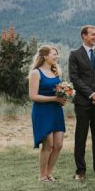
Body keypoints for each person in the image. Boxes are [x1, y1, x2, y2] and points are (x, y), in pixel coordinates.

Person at [69, 25, 95, 180]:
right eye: (93, 34)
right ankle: (80, 171)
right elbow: (75, 78)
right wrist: (91, 94)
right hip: (83, 102)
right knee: (81, 136)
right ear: (84, 36)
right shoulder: (74, 55)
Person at [28, 45, 66, 182]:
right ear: (45, 56)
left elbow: (59, 92)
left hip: (56, 110)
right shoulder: (36, 73)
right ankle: (42, 175)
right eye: (54, 54)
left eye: (57, 54)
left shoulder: (56, 72)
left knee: (59, 144)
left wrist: (63, 99)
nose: (56, 57)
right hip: (42, 111)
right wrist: (54, 99)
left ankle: (49, 173)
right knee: (48, 144)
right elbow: (33, 96)